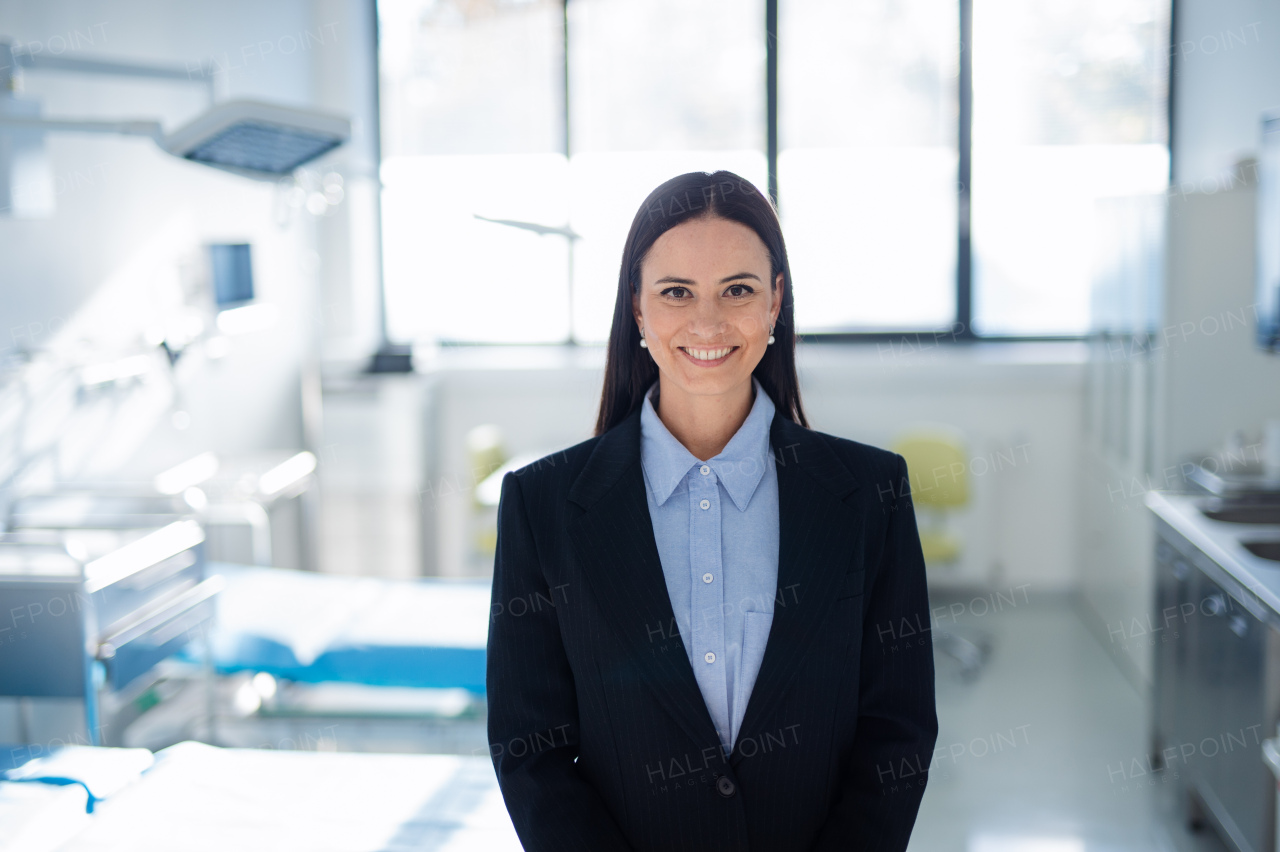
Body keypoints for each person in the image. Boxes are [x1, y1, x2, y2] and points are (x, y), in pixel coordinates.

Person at [486, 170, 938, 851]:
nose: (706, 322)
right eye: (675, 292)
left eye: (738, 290)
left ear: (775, 302)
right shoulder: (542, 505)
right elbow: (530, 750)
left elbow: (897, 730)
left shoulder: (870, 494)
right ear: (636, 307)